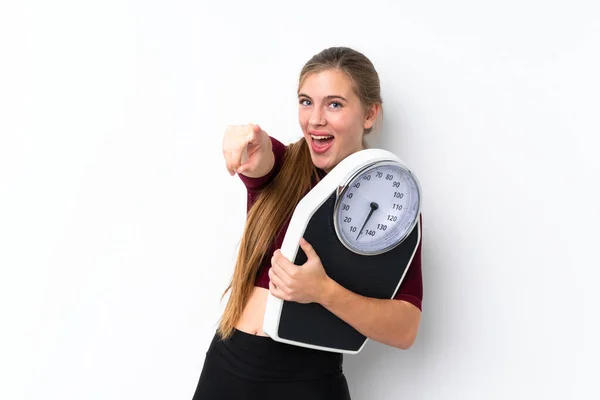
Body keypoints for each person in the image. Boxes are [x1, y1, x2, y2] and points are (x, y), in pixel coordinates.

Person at [192, 46, 423, 400]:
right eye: (305, 101)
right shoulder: (283, 167)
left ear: (369, 114)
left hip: (307, 383)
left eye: (334, 104)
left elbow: (405, 328)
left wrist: (323, 291)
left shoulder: (396, 208)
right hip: (228, 365)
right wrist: (247, 140)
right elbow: (261, 156)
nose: (315, 119)